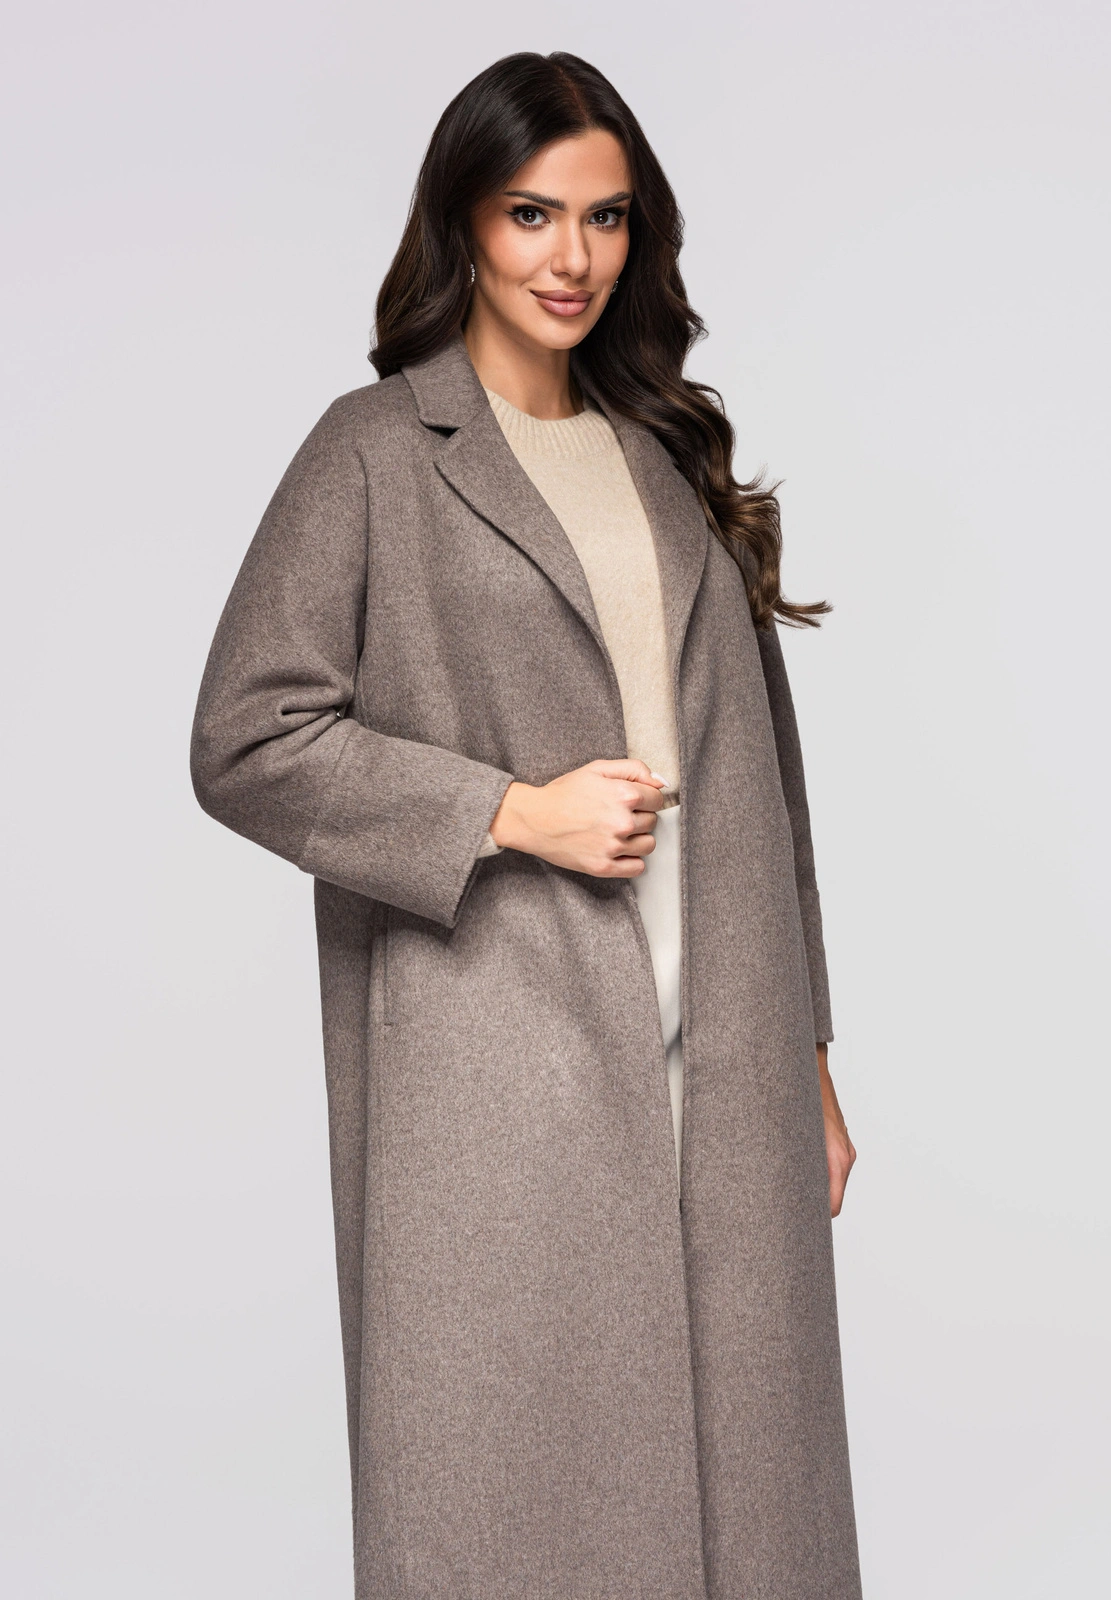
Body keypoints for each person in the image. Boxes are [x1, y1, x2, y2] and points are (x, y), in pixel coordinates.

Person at [191, 50, 861, 1599]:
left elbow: (769, 784)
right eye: (529, 213)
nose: (571, 257)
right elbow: (247, 737)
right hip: (504, 1074)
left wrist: (810, 1059)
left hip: (726, 1059)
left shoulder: (664, 455)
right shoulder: (374, 452)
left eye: (604, 217)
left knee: (751, 1513)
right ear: (463, 224)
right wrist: (508, 813)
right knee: (522, 1510)